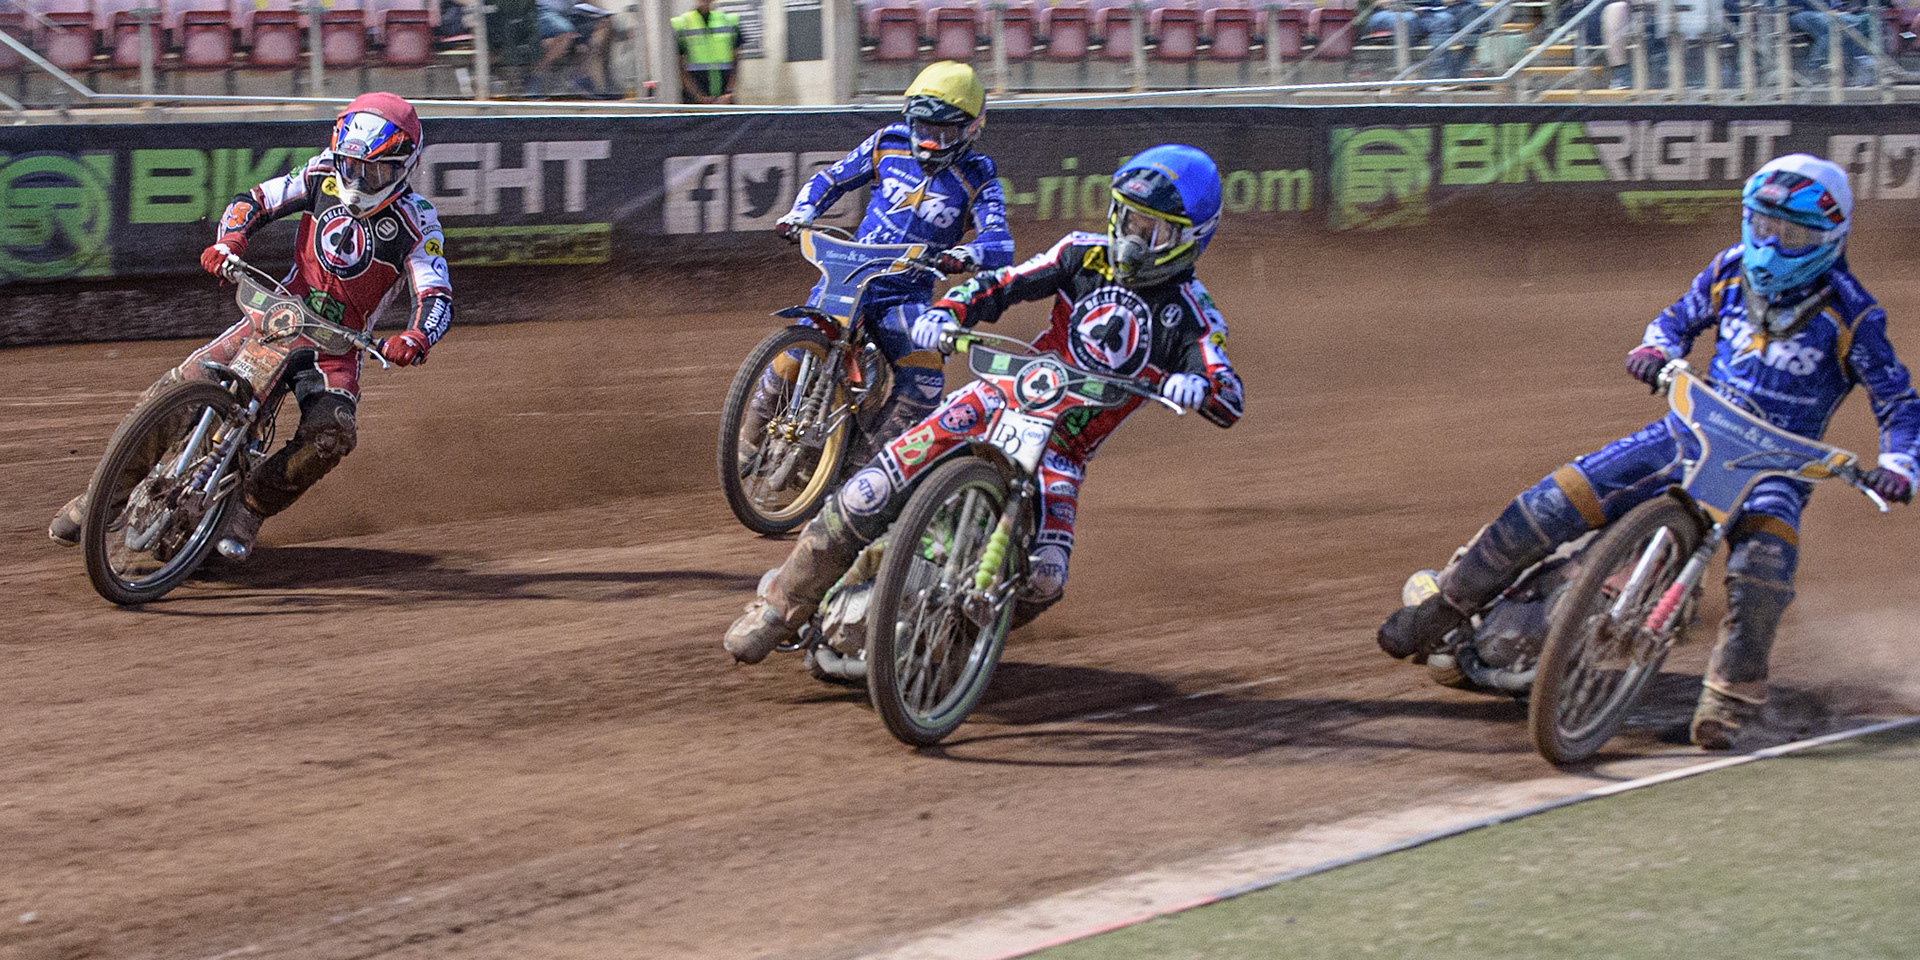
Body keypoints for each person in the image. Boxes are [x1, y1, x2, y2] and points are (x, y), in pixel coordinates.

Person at [1377, 154, 1918, 751]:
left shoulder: (1854, 314)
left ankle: (1730, 703)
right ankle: (1446, 604)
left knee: (1762, 574)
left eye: (1791, 233)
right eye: (1763, 225)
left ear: (1829, 238)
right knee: (1553, 500)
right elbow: (1678, 318)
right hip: (1688, 434)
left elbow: (1898, 402)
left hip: (1772, 473)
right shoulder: (1729, 270)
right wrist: (1655, 348)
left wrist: (1898, 463)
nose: (1772, 242)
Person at [724, 144, 1246, 665]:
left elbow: (1227, 389)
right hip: (998, 397)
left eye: (1153, 232)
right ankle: (777, 607)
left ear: (1192, 240)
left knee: (1044, 577)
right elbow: (1002, 284)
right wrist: (949, 314)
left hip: (1061, 456)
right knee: (869, 489)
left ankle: (939, 648)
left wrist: (1198, 387)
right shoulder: (1081, 253)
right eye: (1130, 221)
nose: (1133, 240)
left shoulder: (1194, 314)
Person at [48, 92, 453, 563]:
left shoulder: (418, 221)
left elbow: (435, 293)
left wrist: (416, 336)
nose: (358, 179)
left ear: (406, 165)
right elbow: (257, 199)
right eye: (351, 165)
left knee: (333, 433)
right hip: (275, 312)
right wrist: (230, 241)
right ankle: (103, 494)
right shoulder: (322, 172)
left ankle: (250, 508)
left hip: (337, 346)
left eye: (374, 171)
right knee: (181, 384)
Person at [751, 60, 1014, 467]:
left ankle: (864, 468)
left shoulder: (979, 176)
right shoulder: (887, 142)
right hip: (850, 271)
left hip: (906, 292)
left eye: (942, 133)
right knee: (801, 341)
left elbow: (999, 244)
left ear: (971, 129)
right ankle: (750, 431)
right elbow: (830, 180)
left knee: (925, 383)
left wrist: (963, 255)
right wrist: (799, 213)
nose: (928, 143)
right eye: (922, 130)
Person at [532, 0, 614, 95]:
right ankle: (535, 74)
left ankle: (583, 76)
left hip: (572, 12)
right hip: (546, 12)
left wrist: (597, 12)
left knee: (604, 23)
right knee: (566, 32)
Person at [673, 0, 742, 103]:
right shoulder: (682, 24)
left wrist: (728, 93)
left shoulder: (728, 21)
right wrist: (698, 96)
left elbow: (736, 60)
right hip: (694, 99)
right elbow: (679, 66)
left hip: (724, 99)